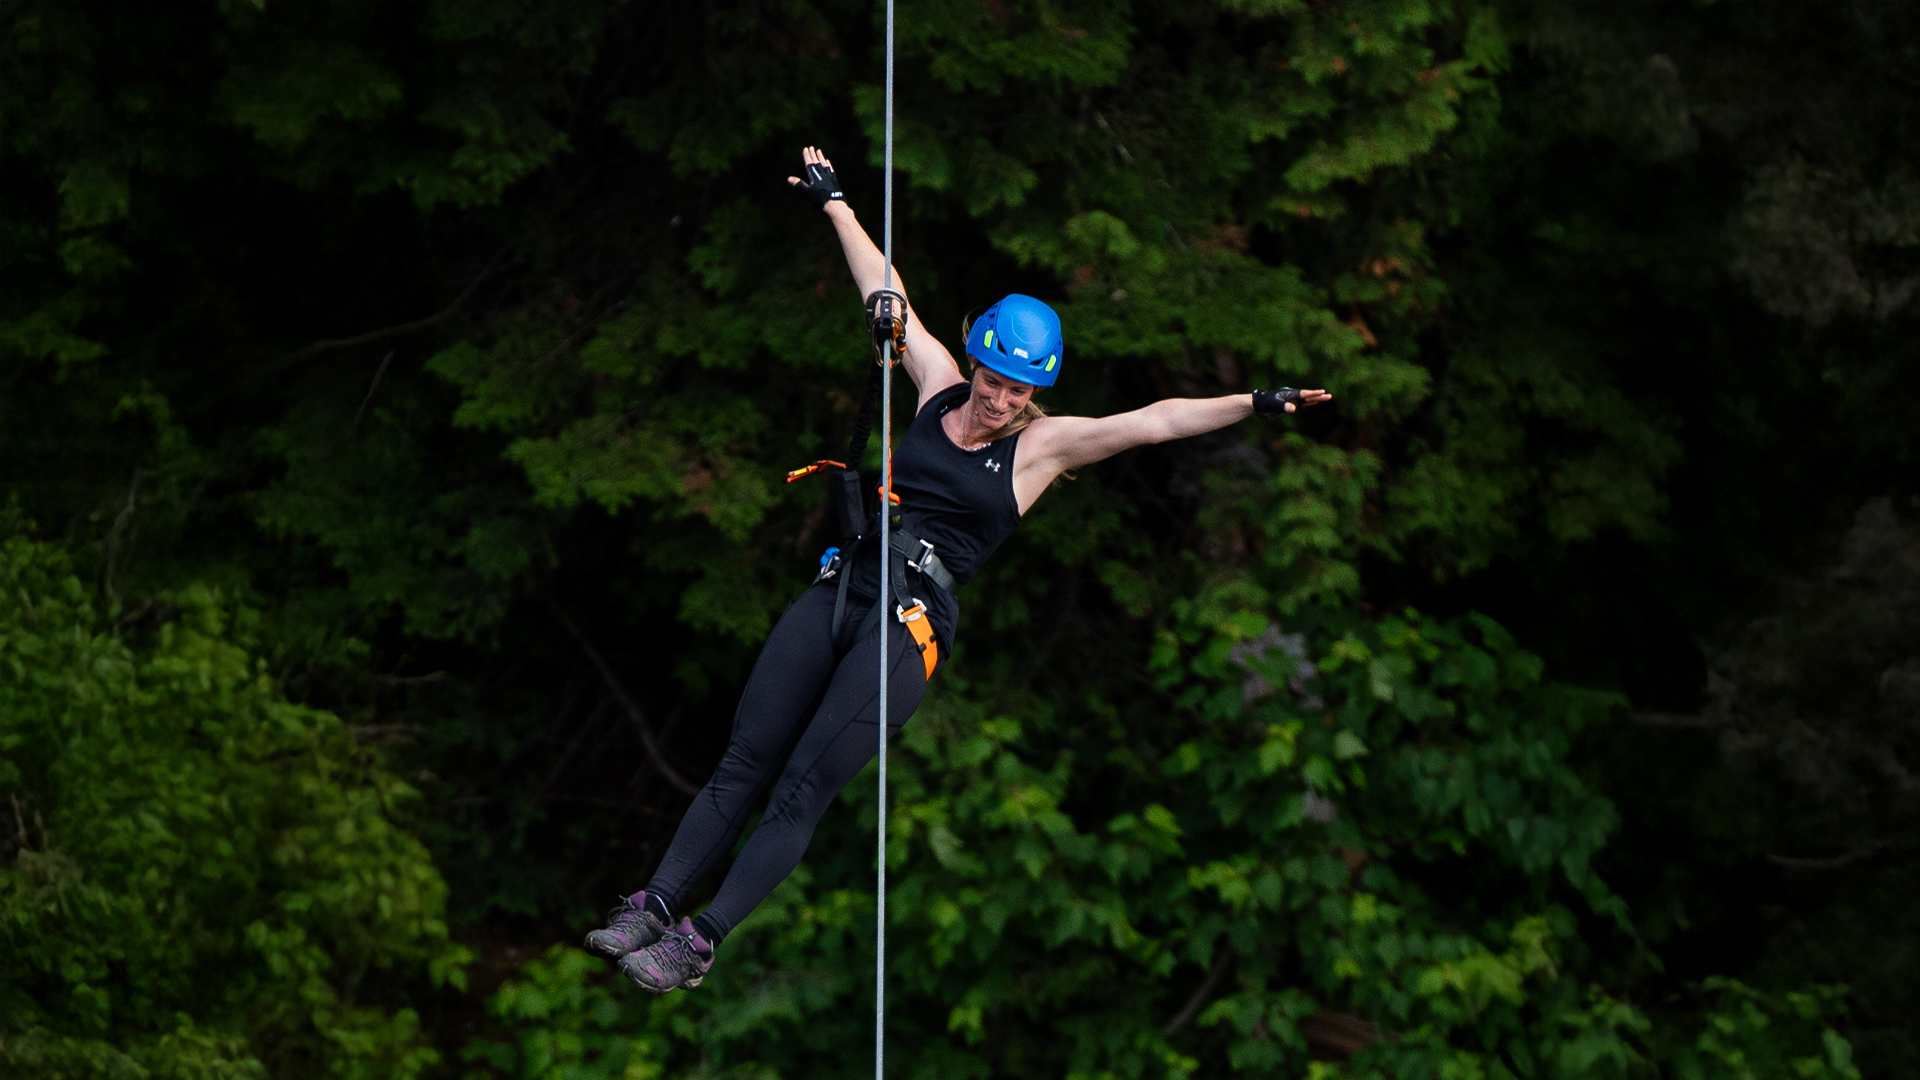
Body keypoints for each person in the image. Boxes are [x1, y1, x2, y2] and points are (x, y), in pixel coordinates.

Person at [583, 146, 1333, 994]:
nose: (1001, 399)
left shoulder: (1040, 449)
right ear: (976, 360)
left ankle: (698, 942)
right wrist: (835, 203)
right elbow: (886, 293)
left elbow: (1153, 421)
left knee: (799, 787)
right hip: (846, 585)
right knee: (744, 757)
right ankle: (652, 905)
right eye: (994, 379)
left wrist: (1257, 402)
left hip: (908, 628)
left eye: (1019, 390)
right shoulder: (938, 386)